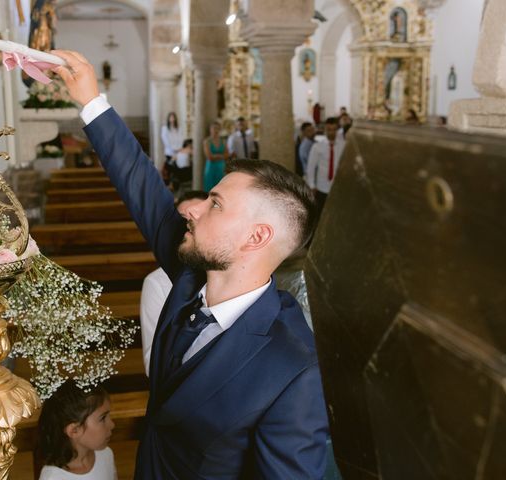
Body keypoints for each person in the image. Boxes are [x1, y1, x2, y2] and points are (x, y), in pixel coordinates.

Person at [54, 50, 330, 480]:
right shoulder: (189, 275)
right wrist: (90, 97)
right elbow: (141, 185)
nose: (193, 209)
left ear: (256, 237)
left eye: (215, 204)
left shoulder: (293, 368)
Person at [140, 191, 209, 376]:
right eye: (183, 221)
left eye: (200, 217)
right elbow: (151, 363)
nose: (190, 225)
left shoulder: (230, 272)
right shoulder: (157, 282)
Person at [37, 381, 117, 480]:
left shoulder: (106, 454)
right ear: (74, 430)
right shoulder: (53, 477)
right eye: (103, 418)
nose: (112, 424)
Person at [306, 117, 346, 209]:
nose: (331, 132)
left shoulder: (343, 145)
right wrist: (312, 185)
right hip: (322, 187)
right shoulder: (317, 146)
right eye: (329, 129)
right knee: (321, 213)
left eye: (334, 130)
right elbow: (311, 167)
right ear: (325, 129)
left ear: (337, 130)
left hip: (337, 187)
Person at [203, 121, 228, 192]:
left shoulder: (223, 141)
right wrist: (221, 156)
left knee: (220, 188)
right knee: (209, 189)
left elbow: (227, 155)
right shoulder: (207, 141)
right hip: (210, 167)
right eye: (214, 128)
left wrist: (216, 156)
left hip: (221, 167)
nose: (216, 130)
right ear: (210, 130)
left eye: (217, 128)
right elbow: (209, 157)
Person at [161, 112, 183, 186]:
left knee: (178, 169)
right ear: (168, 118)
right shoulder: (165, 128)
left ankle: (175, 185)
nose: (172, 119)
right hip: (169, 152)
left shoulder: (178, 128)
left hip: (178, 151)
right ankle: (169, 184)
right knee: (170, 169)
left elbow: (181, 139)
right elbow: (166, 141)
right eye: (171, 117)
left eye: (173, 117)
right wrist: (174, 149)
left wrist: (178, 148)